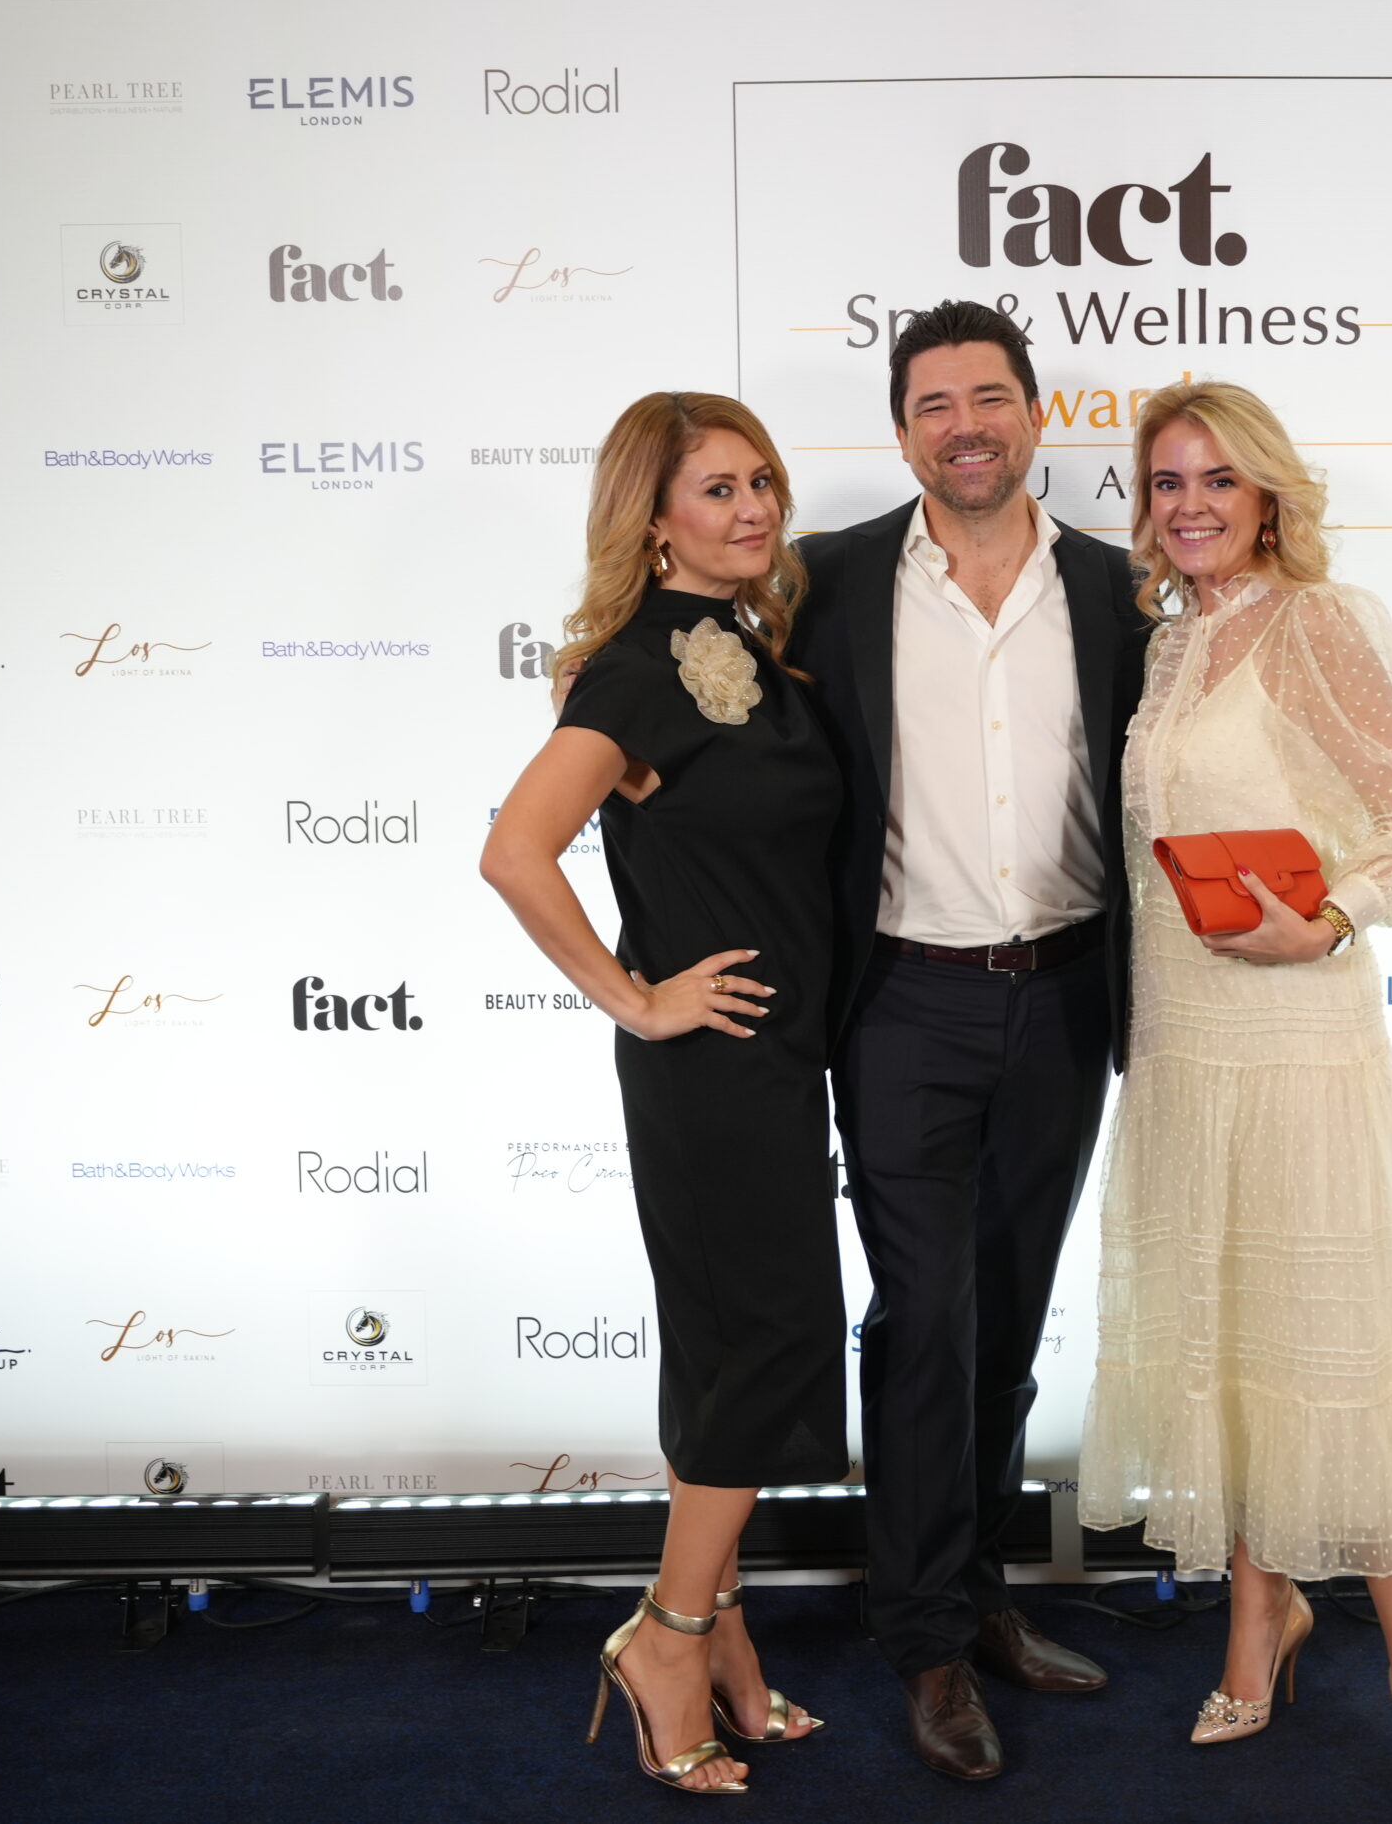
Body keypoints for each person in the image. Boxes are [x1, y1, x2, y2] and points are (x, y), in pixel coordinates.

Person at [1076, 381, 1392, 1824]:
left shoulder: (1324, 623)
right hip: (1184, 1046)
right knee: (1227, 1347)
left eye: (1218, 478)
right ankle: (1255, 1629)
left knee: (1337, 1362)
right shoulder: (1169, 642)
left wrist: (1330, 919)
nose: (1190, 505)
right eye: (1166, 482)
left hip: (1298, 1042)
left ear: (1269, 493)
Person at [790, 300, 1152, 1781]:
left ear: (1036, 415)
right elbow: (685, 658)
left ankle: (982, 1591)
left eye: (989, 397)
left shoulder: (1121, 590)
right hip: (901, 1004)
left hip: (1064, 998)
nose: (965, 426)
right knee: (923, 1317)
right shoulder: (826, 581)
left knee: (1005, 1316)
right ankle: (925, 1639)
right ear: (902, 434)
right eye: (934, 404)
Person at [481, 391, 846, 1796]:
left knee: (725, 1353)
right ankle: (670, 1641)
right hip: (710, 1074)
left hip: (776, 1062)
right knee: (763, 1344)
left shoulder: (753, 644)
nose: (754, 508)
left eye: (762, 481)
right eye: (717, 488)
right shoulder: (633, 672)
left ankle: (728, 1641)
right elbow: (516, 850)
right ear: (653, 519)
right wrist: (636, 997)